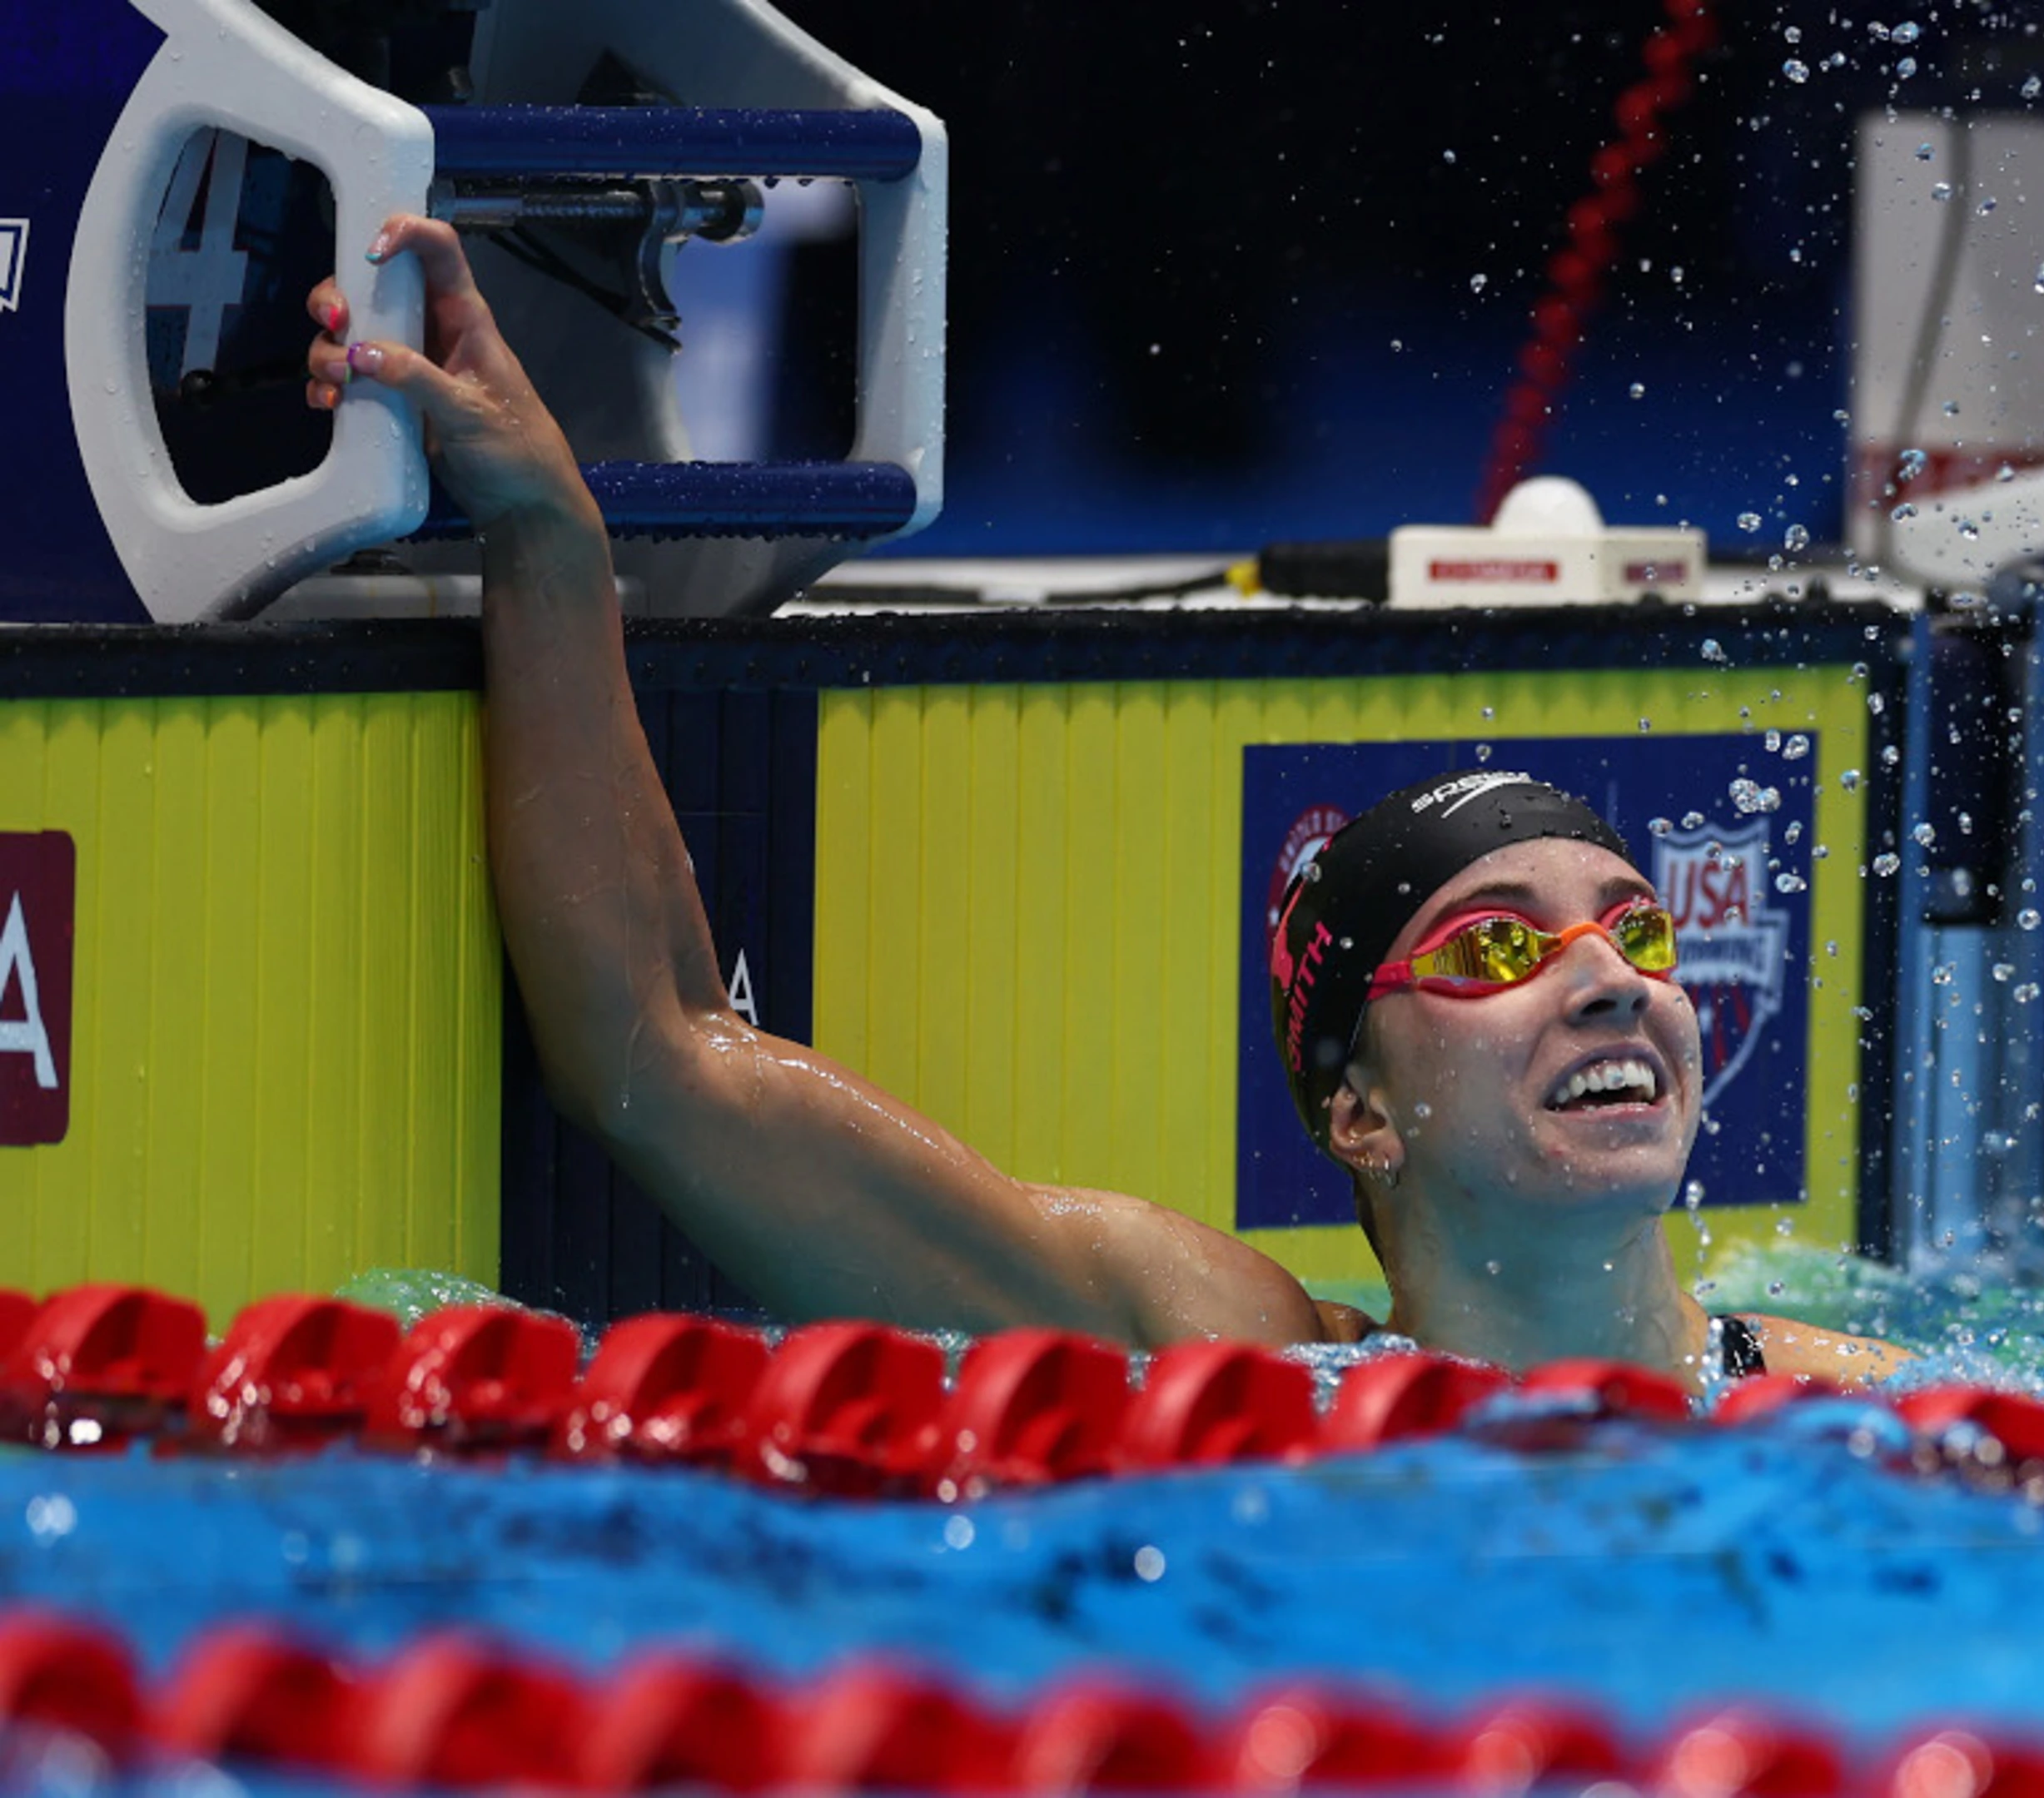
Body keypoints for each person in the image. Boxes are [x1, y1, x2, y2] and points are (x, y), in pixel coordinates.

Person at [302, 215, 1905, 1388]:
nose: (1612, 976)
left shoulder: (1868, 1411)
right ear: (1360, 1115)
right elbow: (657, 1054)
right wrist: (550, 535)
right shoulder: (1223, 1363)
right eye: (1496, 950)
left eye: (1631, 934)